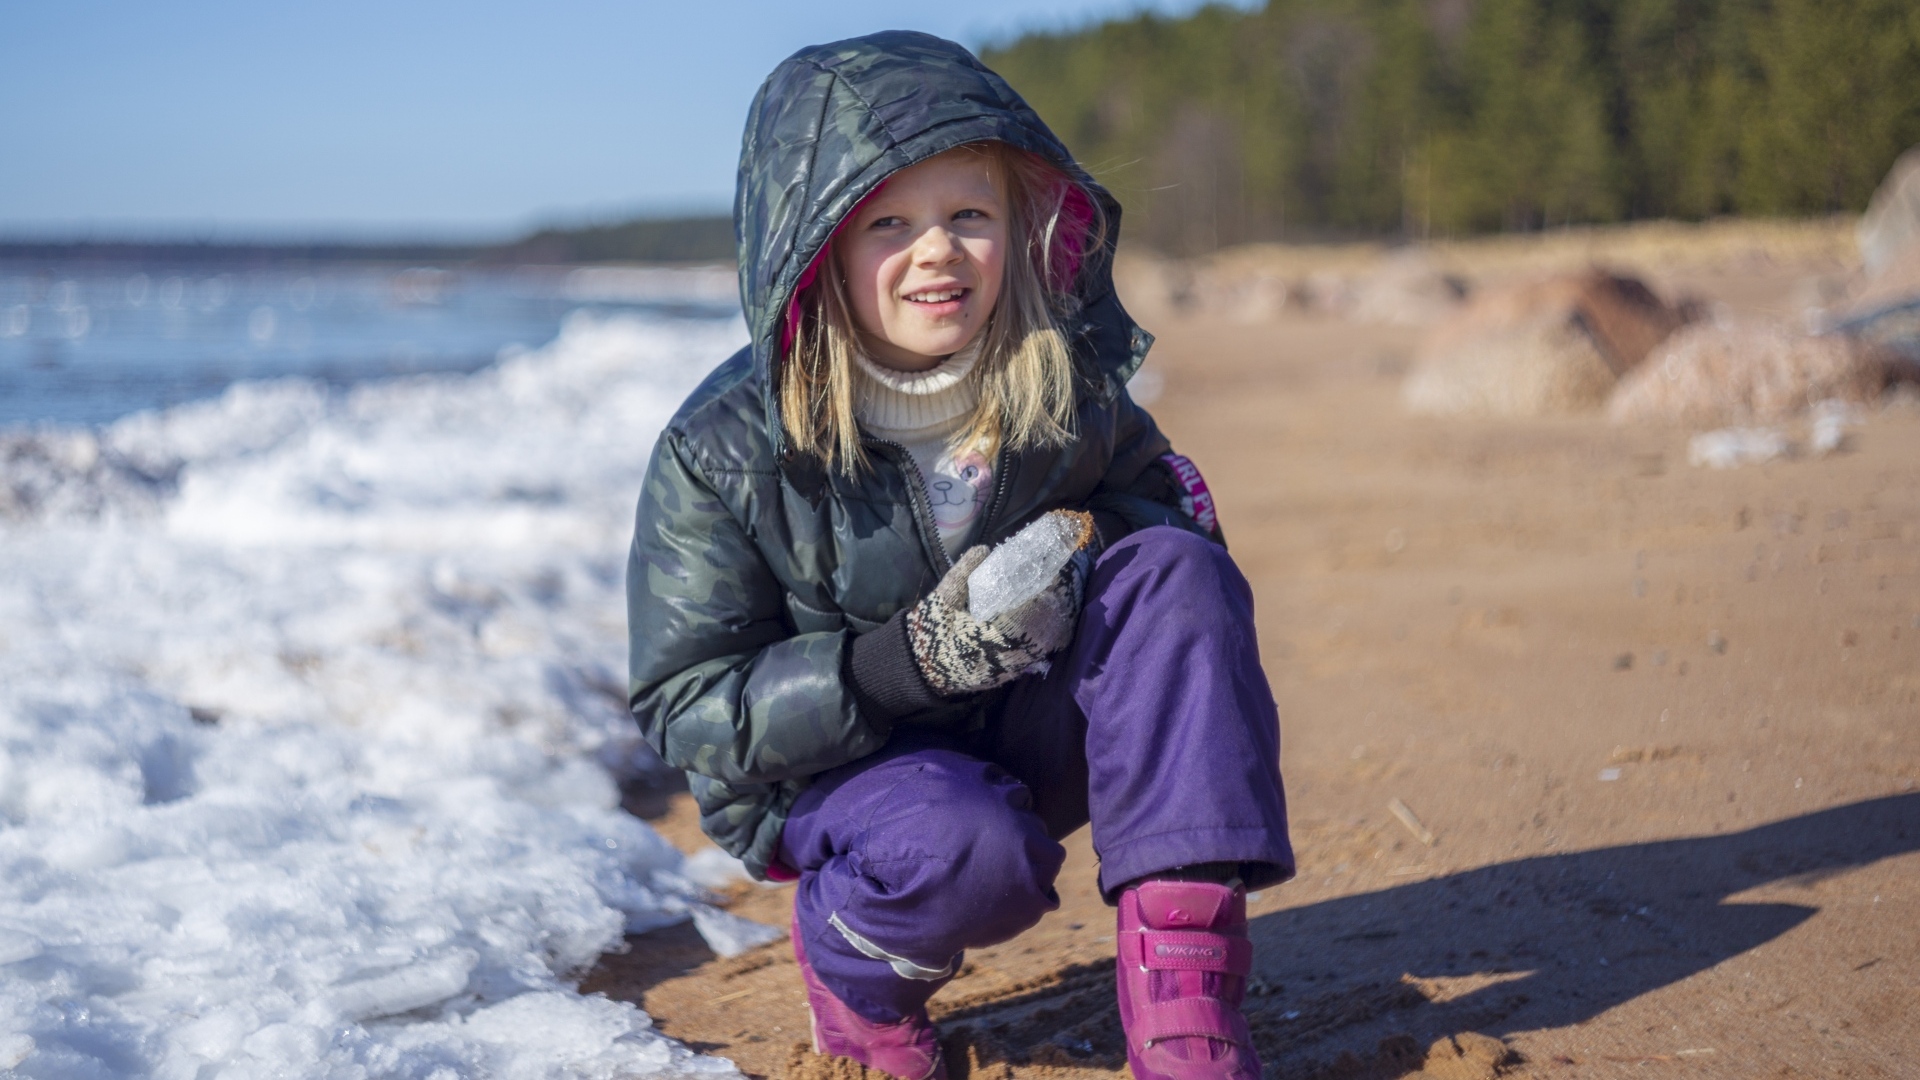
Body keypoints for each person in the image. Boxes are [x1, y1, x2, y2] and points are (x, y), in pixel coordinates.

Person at [627, 31, 1293, 1080]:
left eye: (967, 216)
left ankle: (1187, 1012)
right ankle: (851, 967)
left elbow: (1160, 508)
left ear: (1021, 227)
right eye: (888, 222)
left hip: (1022, 717)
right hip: (839, 776)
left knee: (1176, 574)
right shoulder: (720, 450)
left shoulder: (1057, 382)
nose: (935, 251)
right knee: (970, 851)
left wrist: (1083, 544)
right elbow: (686, 701)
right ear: (816, 249)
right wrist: (902, 663)